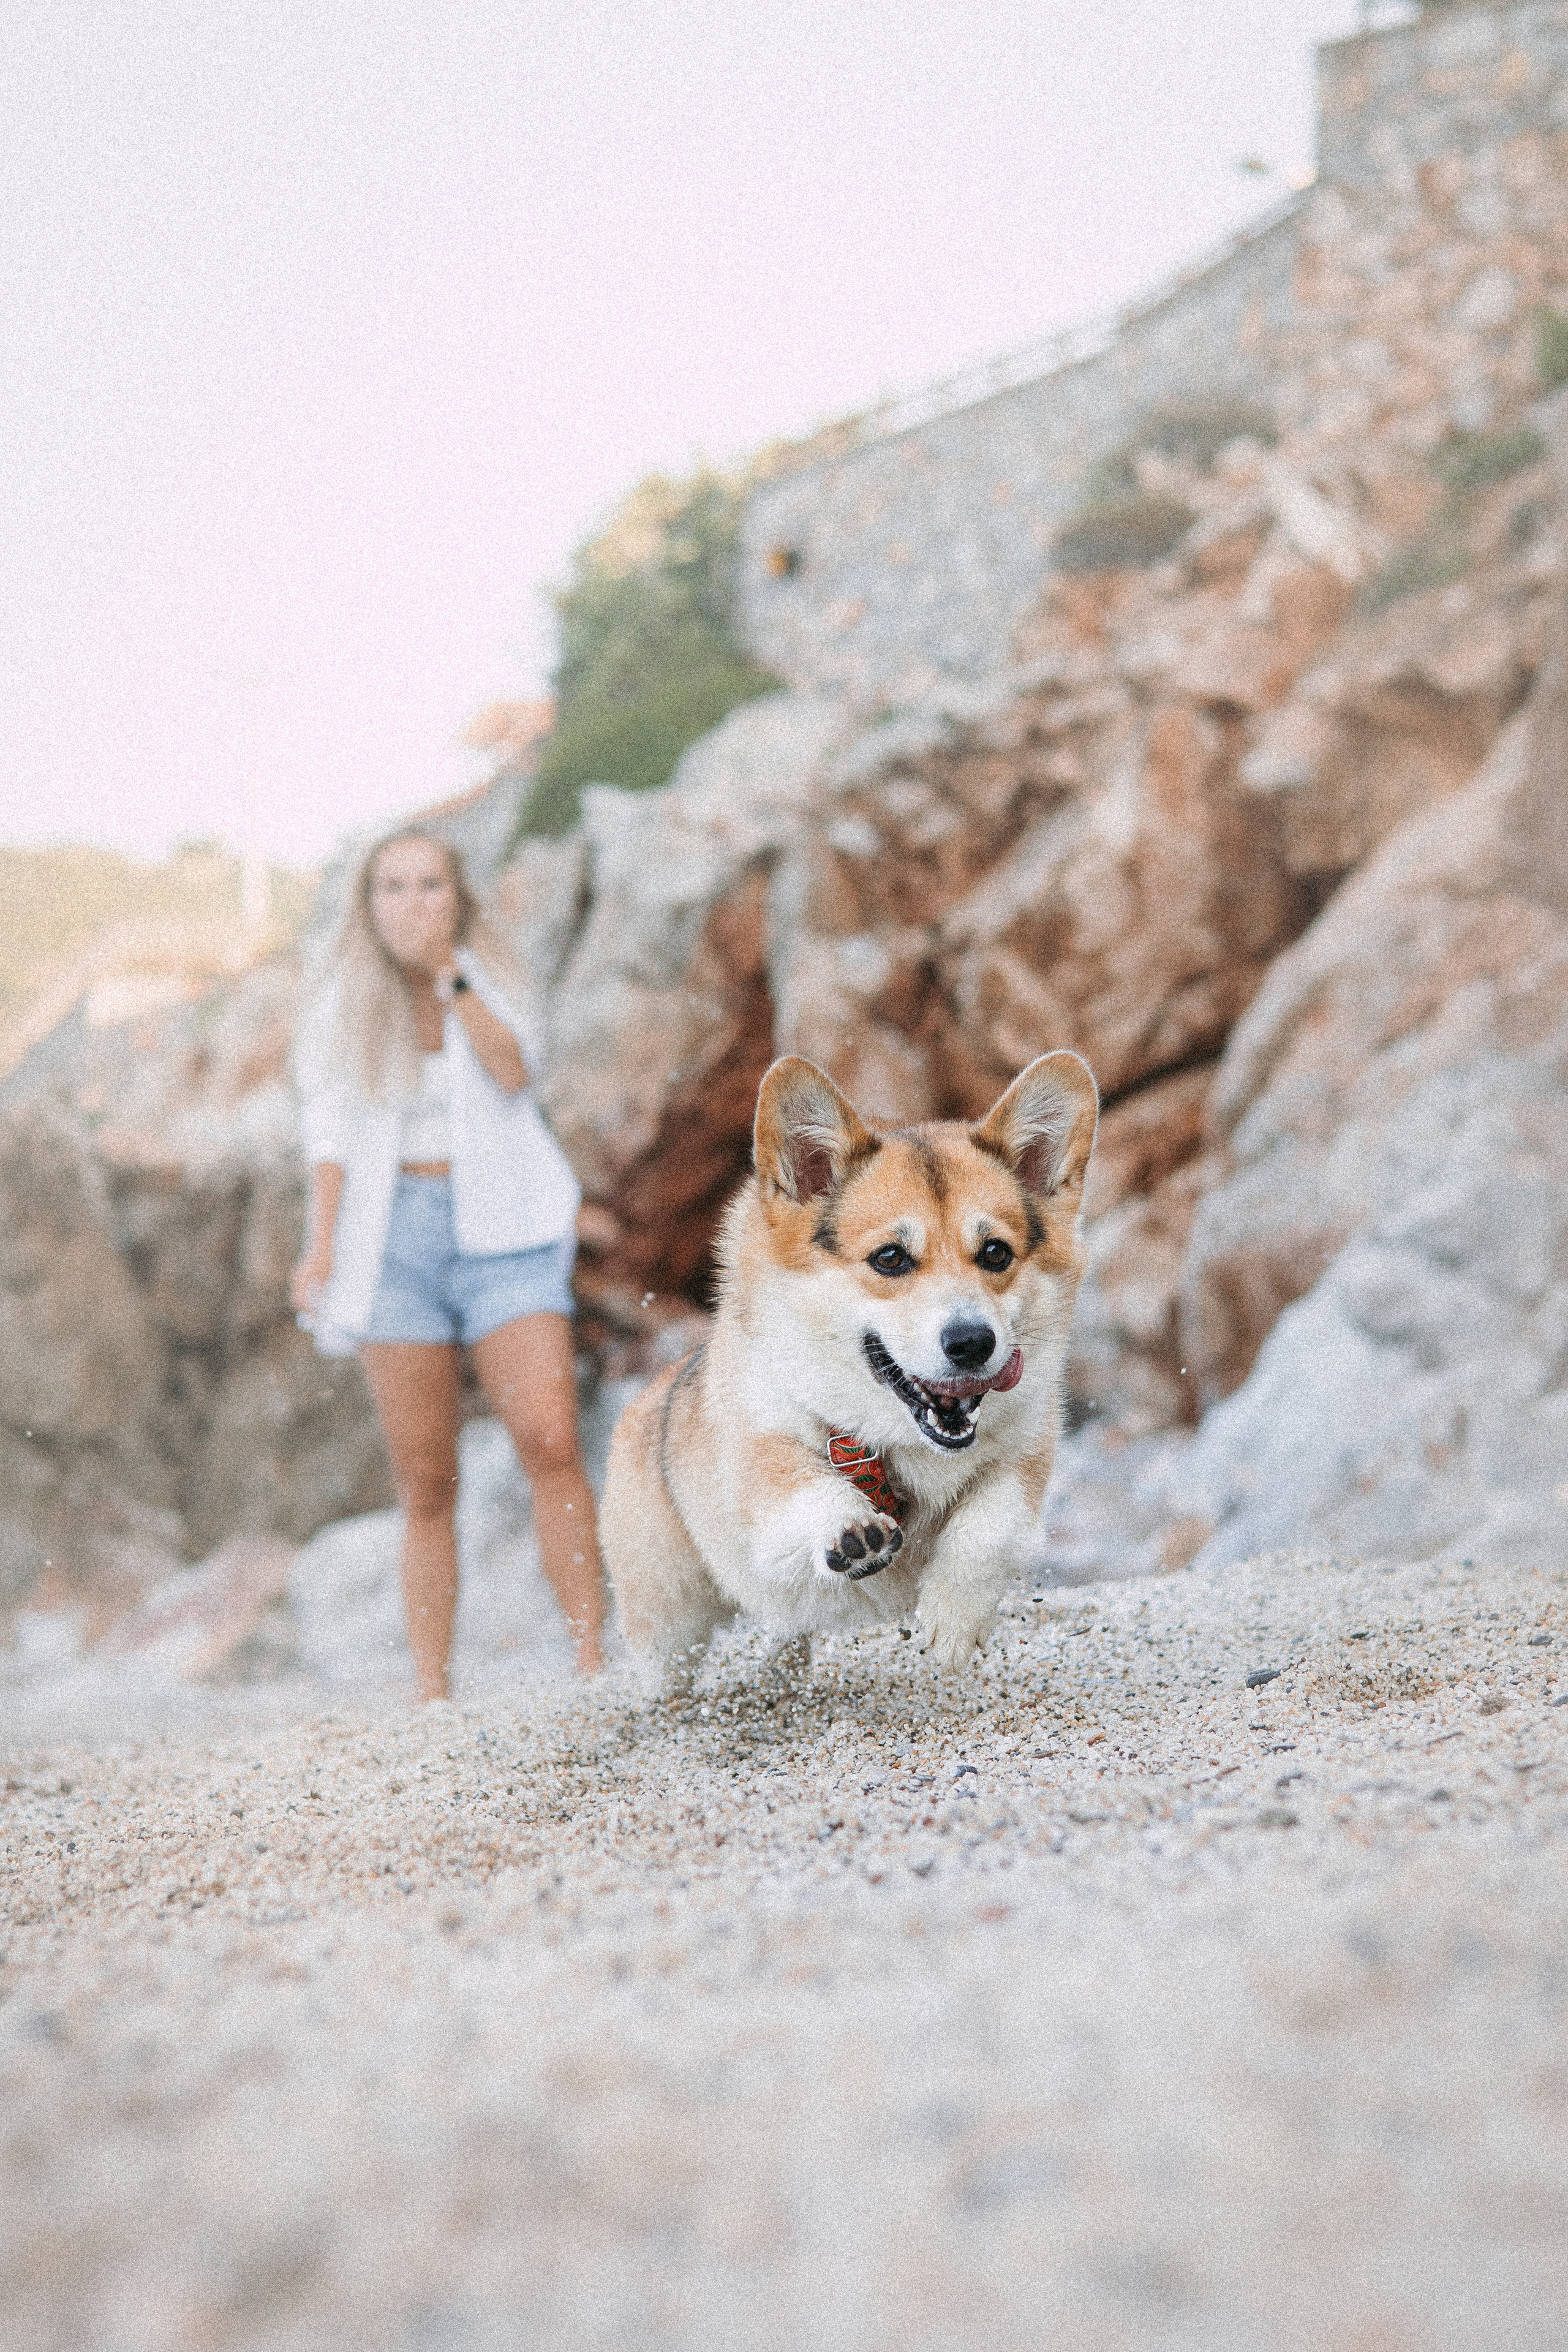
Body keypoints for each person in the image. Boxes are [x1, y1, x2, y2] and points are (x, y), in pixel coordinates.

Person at [290, 824, 605, 1700]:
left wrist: (449, 976)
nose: (411, 904)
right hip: (391, 1242)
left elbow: (515, 1073)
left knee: (548, 1437)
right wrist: (318, 1250)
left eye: (430, 885)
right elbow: (329, 1137)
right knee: (426, 1478)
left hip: (505, 1232)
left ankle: (592, 1661)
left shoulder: (491, 976)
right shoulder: (338, 1001)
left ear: (456, 897)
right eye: (392, 887)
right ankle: (433, 1690)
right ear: (368, 903)